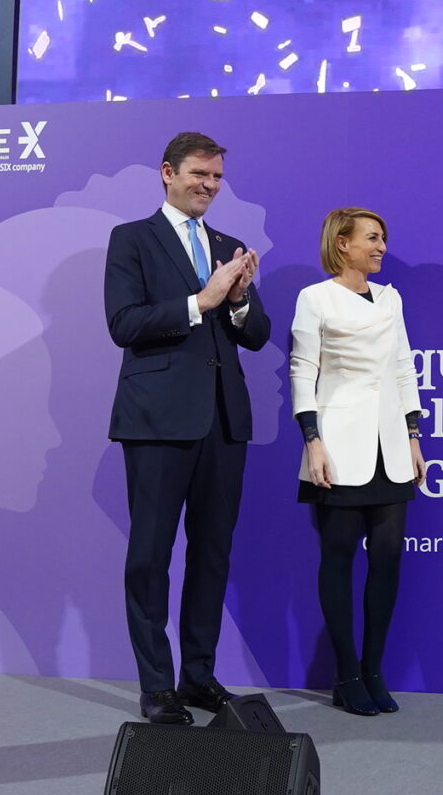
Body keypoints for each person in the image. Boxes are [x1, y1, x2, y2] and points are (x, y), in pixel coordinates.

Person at [103, 131, 269, 725]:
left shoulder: (228, 245)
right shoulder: (132, 239)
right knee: (150, 556)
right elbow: (124, 324)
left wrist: (240, 298)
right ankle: (157, 687)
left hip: (224, 420)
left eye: (217, 176)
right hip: (157, 420)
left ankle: (198, 676)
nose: (210, 185)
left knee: (212, 554)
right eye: (200, 173)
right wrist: (203, 300)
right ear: (168, 173)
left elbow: (256, 334)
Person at [290, 207, 426, 715]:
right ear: (342, 243)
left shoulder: (391, 298)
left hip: (390, 447)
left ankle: (373, 669)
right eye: (372, 237)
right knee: (339, 556)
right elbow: (302, 370)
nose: (382, 246)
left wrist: (412, 436)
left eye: (383, 238)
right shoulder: (315, 298)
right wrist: (313, 441)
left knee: (387, 557)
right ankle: (346, 674)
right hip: (339, 446)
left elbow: (402, 368)